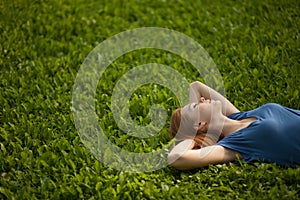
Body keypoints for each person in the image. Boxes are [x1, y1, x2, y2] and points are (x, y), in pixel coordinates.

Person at [167, 81, 300, 170]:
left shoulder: (238, 116)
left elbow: (196, 86)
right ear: (200, 125)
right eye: (196, 105)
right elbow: (177, 158)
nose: (201, 99)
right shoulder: (235, 145)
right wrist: (191, 138)